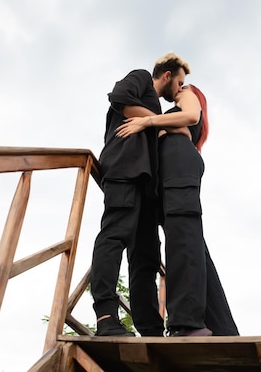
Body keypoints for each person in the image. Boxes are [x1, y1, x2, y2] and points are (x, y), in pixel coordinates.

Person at [115, 84, 239, 337]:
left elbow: (191, 115)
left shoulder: (188, 95)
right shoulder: (173, 118)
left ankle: (187, 323)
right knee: (191, 244)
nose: (178, 89)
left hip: (176, 159)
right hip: (163, 167)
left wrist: (149, 121)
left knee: (183, 233)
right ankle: (222, 328)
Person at [90, 53, 191, 337]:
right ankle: (106, 315)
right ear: (168, 75)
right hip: (124, 169)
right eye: (180, 82)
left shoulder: (155, 108)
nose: (181, 89)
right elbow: (119, 98)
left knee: (146, 255)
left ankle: (150, 329)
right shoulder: (141, 78)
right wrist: (160, 120)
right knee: (115, 234)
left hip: (147, 186)